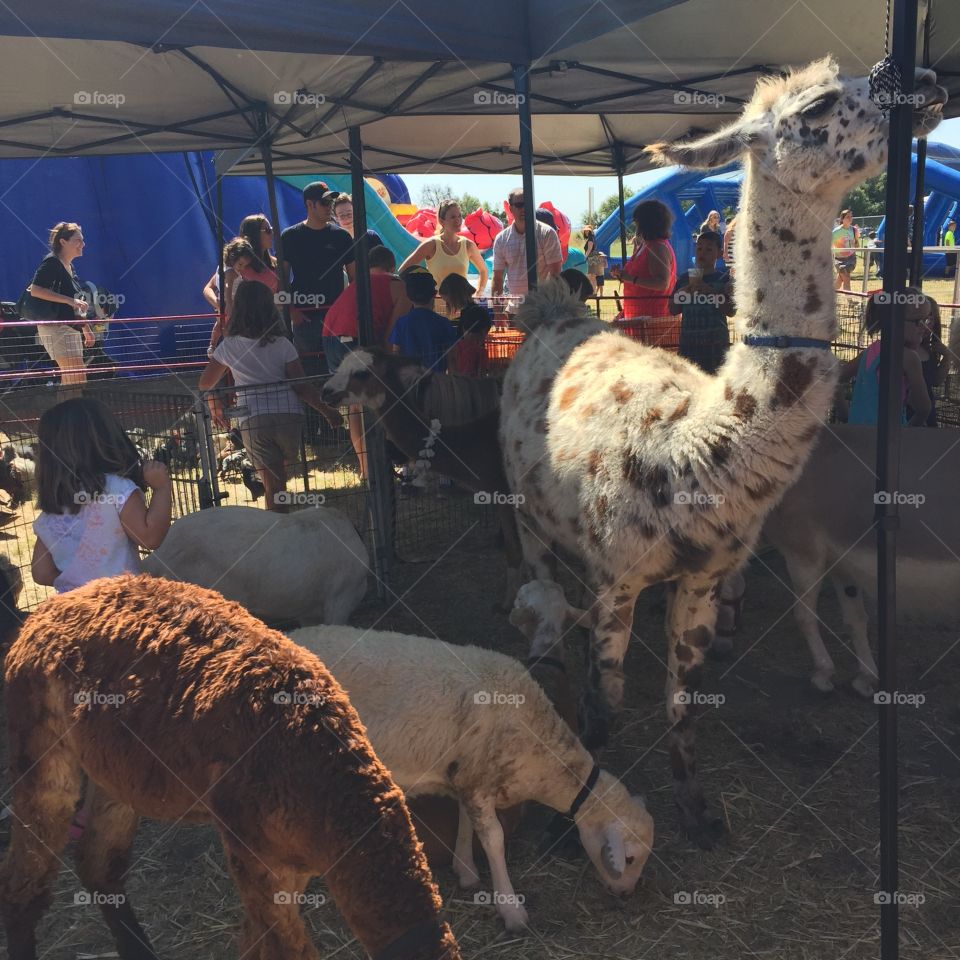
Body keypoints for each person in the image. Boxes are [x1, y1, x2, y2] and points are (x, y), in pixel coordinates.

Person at [31, 396, 173, 838]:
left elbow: (40, 572)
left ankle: (77, 807)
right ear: (102, 440)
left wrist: (73, 568)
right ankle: (137, 787)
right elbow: (150, 536)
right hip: (122, 619)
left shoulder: (50, 511)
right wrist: (161, 486)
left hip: (72, 622)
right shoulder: (115, 489)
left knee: (87, 712)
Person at [199, 281, 342, 510]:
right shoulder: (283, 344)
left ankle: (278, 530)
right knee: (277, 482)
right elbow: (302, 386)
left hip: (254, 420)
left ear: (238, 309)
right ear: (269, 308)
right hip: (289, 416)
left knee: (274, 487)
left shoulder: (229, 346)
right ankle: (280, 524)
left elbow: (205, 383)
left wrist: (214, 404)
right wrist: (327, 411)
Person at [322, 245, 411, 477]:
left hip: (329, 338)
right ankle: (386, 462)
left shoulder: (356, 283)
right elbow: (394, 333)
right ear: (392, 267)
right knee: (381, 400)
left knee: (356, 405)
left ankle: (366, 468)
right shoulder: (399, 285)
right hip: (354, 340)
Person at [280, 181, 356, 374]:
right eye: (324, 202)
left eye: (331, 201)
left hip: (336, 318)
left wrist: (350, 312)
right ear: (309, 204)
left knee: (341, 377)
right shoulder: (289, 236)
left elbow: (356, 280)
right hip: (304, 318)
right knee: (309, 376)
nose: (329, 206)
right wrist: (292, 311)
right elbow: (280, 278)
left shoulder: (342, 237)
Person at [839, 290, 932, 426]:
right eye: (919, 321)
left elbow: (833, 379)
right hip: (887, 439)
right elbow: (924, 408)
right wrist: (906, 432)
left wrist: (845, 414)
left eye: (928, 320)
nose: (926, 328)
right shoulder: (909, 358)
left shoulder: (871, 352)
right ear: (894, 321)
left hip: (857, 435)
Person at [27, 222, 95, 386]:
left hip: (69, 328)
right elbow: (35, 290)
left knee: (74, 378)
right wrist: (70, 300)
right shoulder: (51, 263)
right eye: (78, 240)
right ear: (63, 242)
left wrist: (86, 329)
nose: (83, 244)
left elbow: (76, 303)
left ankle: (69, 411)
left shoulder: (69, 266)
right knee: (76, 377)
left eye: (83, 240)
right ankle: (72, 411)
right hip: (55, 328)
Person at [609, 199, 678, 348]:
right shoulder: (646, 245)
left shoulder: (657, 247)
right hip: (638, 317)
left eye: (637, 221)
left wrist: (630, 278)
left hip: (653, 321)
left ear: (647, 222)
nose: (635, 225)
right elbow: (641, 277)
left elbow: (661, 283)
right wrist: (622, 275)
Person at [671, 231, 734, 373]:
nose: (702, 253)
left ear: (719, 253)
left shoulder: (724, 279)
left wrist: (711, 292)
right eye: (699, 248)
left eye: (709, 249)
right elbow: (673, 309)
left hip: (716, 348)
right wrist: (681, 294)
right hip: (689, 346)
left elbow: (731, 311)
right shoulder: (684, 279)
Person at [491, 188, 563, 314]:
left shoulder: (547, 233)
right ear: (510, 208)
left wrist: (549, 308)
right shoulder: (501, 239)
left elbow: (555, 274)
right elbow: (497, 279)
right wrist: (497, 313)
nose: (523, 208)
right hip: (514, 311)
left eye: (527, 204)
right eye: (519, 205)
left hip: (542, 311)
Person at [399, 199, 489, 297]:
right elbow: (403, 270)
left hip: (461, 307)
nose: (458, 220)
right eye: (453, 217)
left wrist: (478, 294)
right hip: (435, 306)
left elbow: (483, 271)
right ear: (442, 221)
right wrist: (415, 294)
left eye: (459, 216)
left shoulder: (468, 245)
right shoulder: (431, 244)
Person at [389, 267, 457, 372]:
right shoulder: (443, 323)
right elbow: (451, 359)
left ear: (408, 296)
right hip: (436, 382)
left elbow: (396, 354)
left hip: (410, 382)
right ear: (434, 294)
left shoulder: (401, 323)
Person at [203, 237, 257, 353]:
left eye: (245, 265)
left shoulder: (221, 267)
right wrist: (229, 304)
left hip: (223, 302)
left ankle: (212, 345)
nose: (242, 268)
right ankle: (225, 350)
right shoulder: (231, 272)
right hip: (230, 304)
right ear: (233, 258)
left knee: (219, 325)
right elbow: (228, 286)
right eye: (240, 264)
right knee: (228, 328)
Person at [907, 294, 948, 426]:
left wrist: (947, 357)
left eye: (931, 321)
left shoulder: (929, 351)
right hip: (907, 416)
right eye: (922, 321)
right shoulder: (905, 352)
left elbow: (936, 380)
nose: (926, 327)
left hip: (927, 417)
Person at [439, 273, 492, 376]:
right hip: (472, 367)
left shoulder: (472, 314)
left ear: (455, 296)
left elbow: (468, 341)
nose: (448, 305)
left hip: (468, 368)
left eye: (448, 301)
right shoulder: (474, 311)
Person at [832, 209, 860, 291]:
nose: (850, 218)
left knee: (840, 281)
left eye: (851, 216)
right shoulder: (836, 232)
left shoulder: (854, 230)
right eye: (848, 217)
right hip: (839, 260)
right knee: (846, 278)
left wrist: (855, 243)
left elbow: (857, 245)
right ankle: (850, 301)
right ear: (842, 219)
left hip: (851, 259)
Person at [582, 226, 606, 294]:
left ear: (590, 231)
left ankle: (593, 292)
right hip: (593, 256)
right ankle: (593, 292)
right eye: (585, 231)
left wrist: (585, 257)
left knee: (591, 275)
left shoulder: (590, 239)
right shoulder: (591, 238)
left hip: (592, 257)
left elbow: (589, 249)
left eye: (587, 231)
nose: (586, 232)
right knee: (591, 276)